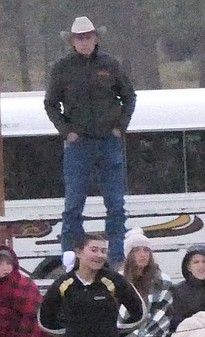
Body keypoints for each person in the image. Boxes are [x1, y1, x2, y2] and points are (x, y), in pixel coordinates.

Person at [43, 16, 136, 270]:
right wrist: (66, 131)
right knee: (73, 203)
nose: (84, 42)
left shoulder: (111, 64)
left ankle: (116, 256)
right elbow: (51, 103)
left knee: (116, 204)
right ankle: (71, 255)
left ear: (95, 38)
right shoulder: (62, 68)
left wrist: (120, 128)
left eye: (87, 37)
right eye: (79, 38)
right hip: (79, 143)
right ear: (73, 41)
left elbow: (129, 97)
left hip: (108, 141)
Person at [120, 228, 173, 337]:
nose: (142, 254)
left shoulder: (162, 280)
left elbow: (161, 315)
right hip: (125, 335)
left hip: (155, 335)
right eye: (136, 250)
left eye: (146, 250)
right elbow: (118, 316)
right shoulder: (120, 281)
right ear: (129, 255)